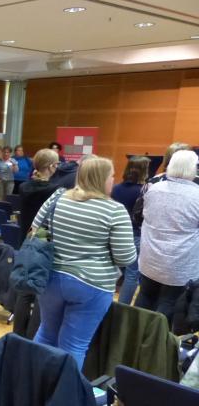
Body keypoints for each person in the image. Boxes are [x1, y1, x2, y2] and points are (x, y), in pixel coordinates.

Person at [31, 156, 136, 368]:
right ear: (101, 178)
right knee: (74, 345)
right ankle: (64, 388)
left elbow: (34, 231)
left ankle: (33, 380)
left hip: (50, 278)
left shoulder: (57, 198)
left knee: (46, 333)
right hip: (91, 285)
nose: (114, 180)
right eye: (112, 175)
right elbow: (125, 257)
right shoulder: (114, 210)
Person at [135, 150, 199, 323]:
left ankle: (135, 333)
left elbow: (141, 217)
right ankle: (155, 338)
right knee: (169, 303)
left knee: (145, 295)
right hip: (179, 264)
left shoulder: (154, 189)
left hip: (150, 258)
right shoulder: (197, 195)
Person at [12, 148, 60, 339]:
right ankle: (32, 336)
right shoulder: (55, 190)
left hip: (25, 241)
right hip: (44, 244)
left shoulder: (24, 186)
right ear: (51, 166)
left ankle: (18, 334)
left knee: (24, 291)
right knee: (40, 293)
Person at [111, 156, 149, 304]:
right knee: (132, 274)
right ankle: (122, 307)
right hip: (135, 235)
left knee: (113, 269)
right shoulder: (144, 191)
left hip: (115, 234)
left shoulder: (115, 188)